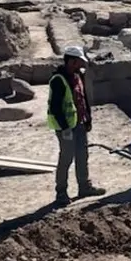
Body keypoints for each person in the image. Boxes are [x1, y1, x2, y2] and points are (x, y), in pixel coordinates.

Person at [48, 46, 104, 206]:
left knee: (82, 156)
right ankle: (61, 192)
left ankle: (84, 186)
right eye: (79, 61)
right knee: (66, 158)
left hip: (79, 123)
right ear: (71, 61)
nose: (82, 64)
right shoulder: (58, 80)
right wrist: (65, 128)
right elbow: (55, 107)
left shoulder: (78, 75)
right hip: (65, 127)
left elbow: (83, 98)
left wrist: (88, 119)